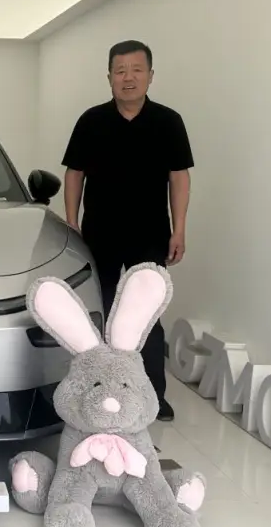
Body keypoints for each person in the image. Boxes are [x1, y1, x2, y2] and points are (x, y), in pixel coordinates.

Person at [61, 40, 193, 421]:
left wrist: (179, 229)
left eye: (136, 70)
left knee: (146, 316)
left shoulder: (168, 122)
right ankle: (93, 393)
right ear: (109, 78)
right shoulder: (91, 121)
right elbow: (74, 174)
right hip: (98, 234)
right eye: (120, 71)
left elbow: (179, 178)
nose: (128, 78)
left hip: (150, 234)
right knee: (98, 312)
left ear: (150, 76)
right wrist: (71, 222)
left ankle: (153, 396)